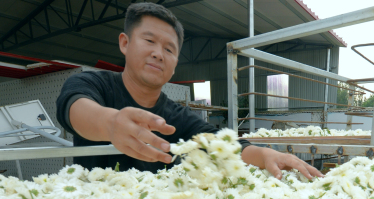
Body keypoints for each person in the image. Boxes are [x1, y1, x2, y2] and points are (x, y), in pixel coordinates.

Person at [56, 2, 322, 180]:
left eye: (169, 49)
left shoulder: (176, 118)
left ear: (175, 65)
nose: (158, 53)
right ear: (125, 43)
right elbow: (73, 107)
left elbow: (221, 142)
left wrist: (264, 154)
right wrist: (110, 123)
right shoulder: (93, 85)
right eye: (149, 41)